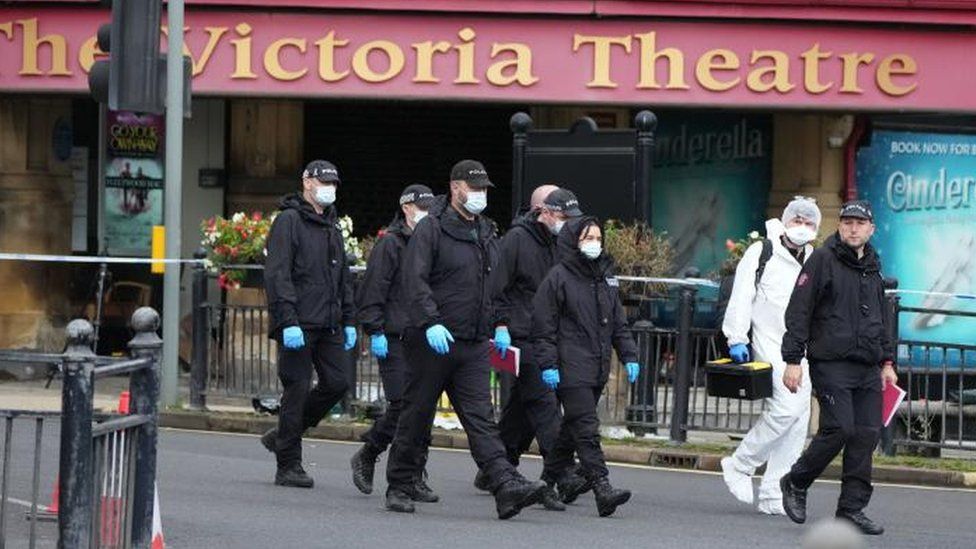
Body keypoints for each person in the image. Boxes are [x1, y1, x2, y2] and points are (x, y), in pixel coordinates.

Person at [384, 159, 548, 519]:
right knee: (416, 413)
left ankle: (505, 487)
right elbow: (415, 279)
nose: (480, 195)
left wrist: (500, 324)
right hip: (433, 340)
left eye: (484, 189)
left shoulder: (485, 231)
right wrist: (429, 322)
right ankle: (399, 483)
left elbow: (495, 285)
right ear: (455, 187)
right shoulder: (431, 229)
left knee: (481, 418)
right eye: (474, 188)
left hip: (473, 342)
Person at [779, 200, 897, 536]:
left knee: (866, 434)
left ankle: (851, 509)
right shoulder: (822, 259)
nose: (853, 228)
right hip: (831, 361)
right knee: (840, 428)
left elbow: (880, 316)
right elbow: (799, 310)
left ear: (870, 229)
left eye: (860, 223)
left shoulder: (872, 264)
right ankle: (796, 481)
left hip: (867, 364)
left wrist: (887, 361)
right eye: (847, 223)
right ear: (840, 226)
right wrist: (793, 360)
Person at [475, 185, 587, 510]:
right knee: (543, 400)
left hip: (550, 334)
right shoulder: (516, 240)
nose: (569, 224)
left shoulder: (563, 242)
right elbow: (497, 287)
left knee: (524, 405)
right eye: (564, 217)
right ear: (544, 211)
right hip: (519, 335)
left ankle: (497, 465)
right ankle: (562, 472)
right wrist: (500, 326)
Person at [531, 216, 642, 517]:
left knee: (571, 430)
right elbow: (543, 327)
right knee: (586, 428)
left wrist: (629, 355)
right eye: (587, 237)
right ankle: (602, 487)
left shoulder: (604, 276)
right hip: (570, 365)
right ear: (573, 241)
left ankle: (545, 484)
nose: (594, 243)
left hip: (596, 365)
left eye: (597, 237)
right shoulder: (558, 278)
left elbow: (618, 323)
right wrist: (548, 363)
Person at [719, 197, 822, 515]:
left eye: (809, 223)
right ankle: (740, 463)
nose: (802, 228)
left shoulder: (813, 257)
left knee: (798, 421)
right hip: (767, 342)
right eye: (798, 221)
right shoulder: (761, 251)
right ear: (786, 220)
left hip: (799, 348)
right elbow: (742, 294)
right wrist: (736, 336)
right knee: (786, 410)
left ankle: (774, 492)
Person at [260, 160, 358, 488]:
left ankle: (284, 435)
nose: (329, 187)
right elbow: (278, 273)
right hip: (298, 322)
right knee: (297, 389)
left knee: (338, 382)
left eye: (333, 182)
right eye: (323, 181)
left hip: (328, 321)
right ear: (306, 182)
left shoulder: (331, 224)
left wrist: (348, 319)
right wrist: (287, 319)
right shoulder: (288, 221)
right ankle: (288, 465)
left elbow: (342, 275)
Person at [350, 184, 438, 502]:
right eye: (422, 207)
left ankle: (415, 473)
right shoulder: (391, 244)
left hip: (425, 336)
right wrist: (374, 331)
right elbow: (373, 290)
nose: (428, 213)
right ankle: (371, 450)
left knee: (423, 408)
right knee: (403, 404)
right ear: (407, 208)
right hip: (395, 336)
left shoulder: (433, 243)